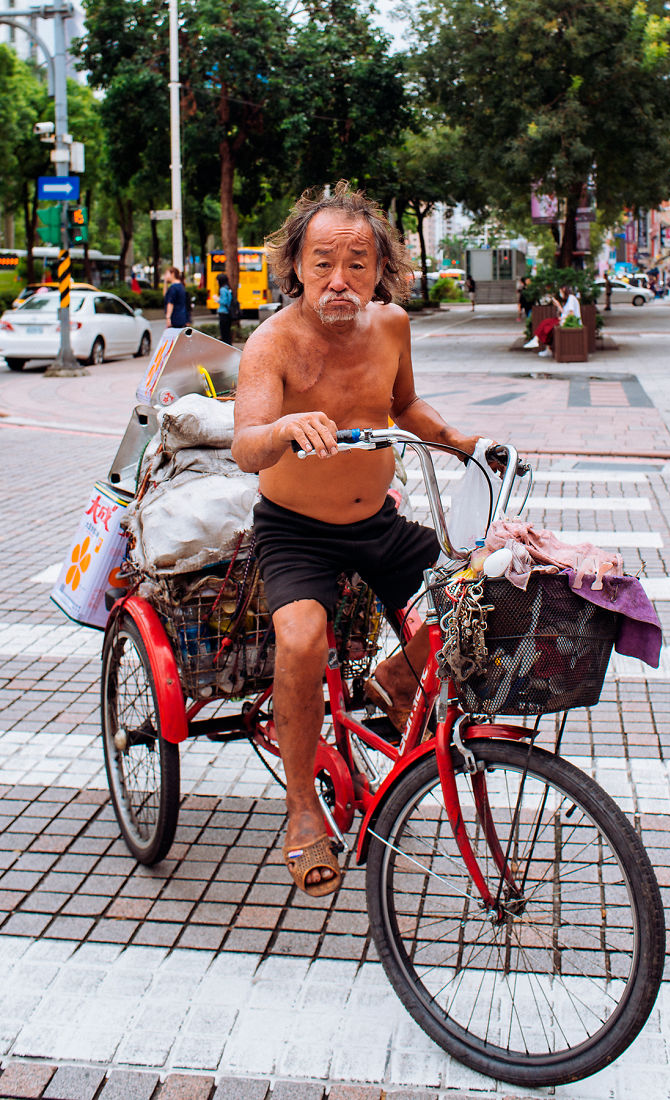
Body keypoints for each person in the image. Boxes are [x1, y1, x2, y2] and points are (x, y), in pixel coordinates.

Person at [231, 182, 481, 898]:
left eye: (357, 264)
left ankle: (394, 680)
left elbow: (404, 403)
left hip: (379, 523)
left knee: (477, 599)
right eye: (323, 264)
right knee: (302, 640)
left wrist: (461, 442)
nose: (339, 280)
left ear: (380, 271)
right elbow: (246, 445)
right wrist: (283, 428)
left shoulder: (392, 326)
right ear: (296, 268)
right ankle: (301, 805)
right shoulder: (271, 342)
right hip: (296, 533)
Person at [523, 285, 581, 357]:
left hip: (569, 323)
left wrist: (563, 318)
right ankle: (538, 341)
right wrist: (558, 305)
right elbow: (566, 312)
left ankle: (537, 341)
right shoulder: (569, 299)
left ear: (564, 290)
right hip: (565, 321)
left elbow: (571, 314)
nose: (560, 294)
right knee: (547, 325)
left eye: (560, 292)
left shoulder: (571, 298)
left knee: (548, 325)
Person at [216, 272, 233, 345]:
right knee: (227, 332)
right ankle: (229, 345)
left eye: (217, 280)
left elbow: (224, 301)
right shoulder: (228, 288)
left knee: (224, 333)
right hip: (228, 313)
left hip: (223, 313)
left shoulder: (222, 289)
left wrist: (217, 299)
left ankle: (226, 346)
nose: (217, 282)